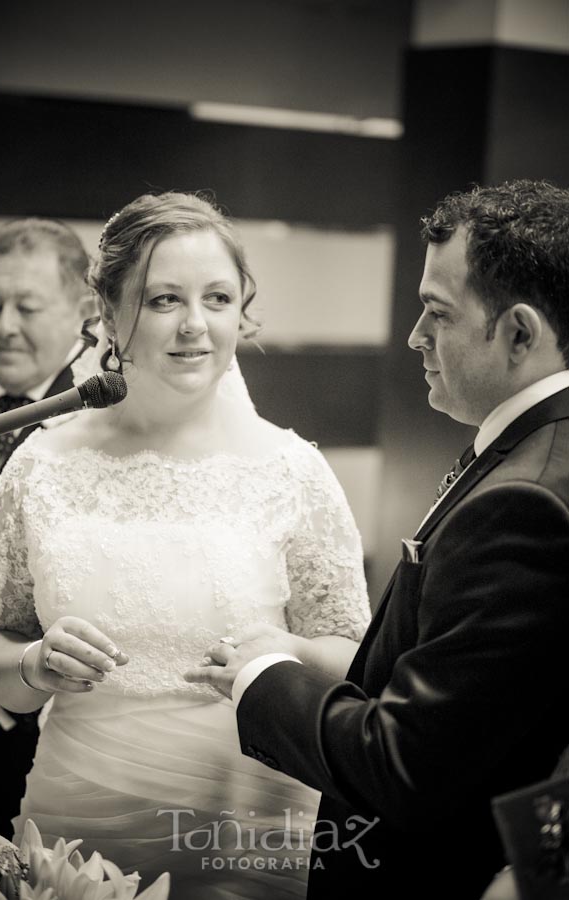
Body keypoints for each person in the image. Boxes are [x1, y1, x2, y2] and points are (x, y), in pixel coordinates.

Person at [0, 191, 370, 898]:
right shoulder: (40, 464)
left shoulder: (291, 470)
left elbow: (354, 662)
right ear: (111, 314)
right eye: (163, 300)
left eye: (217, 298)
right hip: (74, 825)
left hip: (244, 830)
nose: (195, 325)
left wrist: (282, 655)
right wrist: (33, 664)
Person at [185, 179, 569, 900]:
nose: (413, 336)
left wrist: (262, 674)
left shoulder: (523, 499)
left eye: (435, 312)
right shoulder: (529, 454)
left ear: (519, 332)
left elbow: (407, 765)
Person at [0, 218, 92, 838]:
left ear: (85, 310)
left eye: (27, 306)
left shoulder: (104, 422)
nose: (3, 325)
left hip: (36, 728)